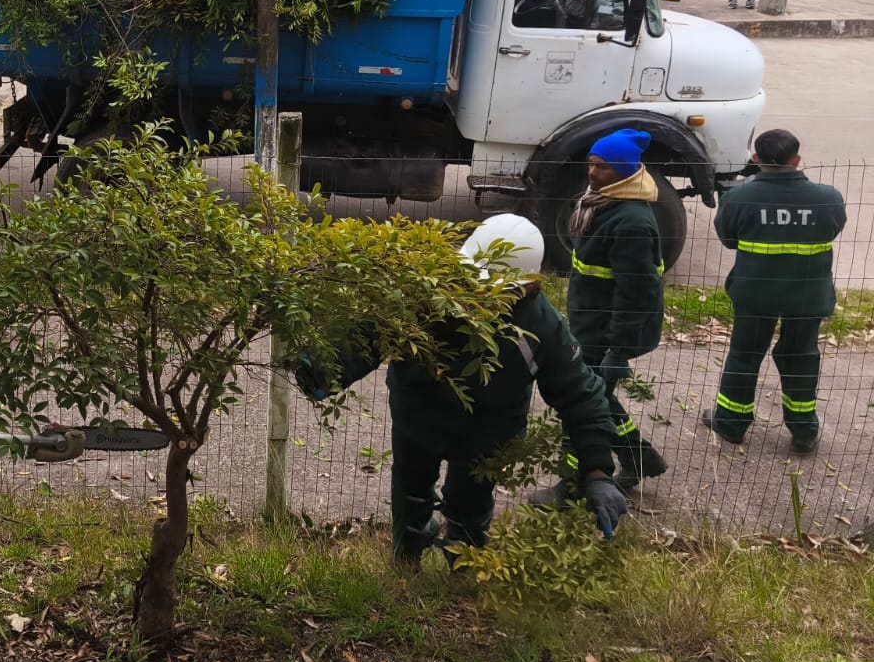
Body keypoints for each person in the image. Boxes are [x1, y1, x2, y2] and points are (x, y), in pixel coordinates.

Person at [297, 215, 625, 564]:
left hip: (488, 434)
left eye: (493, 289)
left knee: (470, 506)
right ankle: (406, 557)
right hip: (417, 417)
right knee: (410, 492)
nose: (477, 294)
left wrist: (597, 471)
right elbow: (369, 334)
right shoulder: (425, 295)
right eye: (473, 281)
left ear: (526, 287)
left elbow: (581, 395)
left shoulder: (541, 327)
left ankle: (463, 566)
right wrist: (323, 369)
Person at [540, 128, 669, 497]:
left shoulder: (631, 223)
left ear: (626, 172)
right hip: (588, 323)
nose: (592, 174)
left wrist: (619, 351)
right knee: (598, 400)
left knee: (582, 406)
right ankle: (640, 459)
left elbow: (637, 294)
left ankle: (573, 485)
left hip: (605, 332)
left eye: (603, 167)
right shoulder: (600, 202)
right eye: (591, 164)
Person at [702, 130, 846, 453]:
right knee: (802, 357)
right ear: (797, 160)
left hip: (755, 294)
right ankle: (804, 430)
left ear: (755, 160)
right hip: (808, 296)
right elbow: (833, 229)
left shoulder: (738, 199)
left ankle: (731, 423)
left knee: (745, 356)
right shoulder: (829, 198)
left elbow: (728, 239)